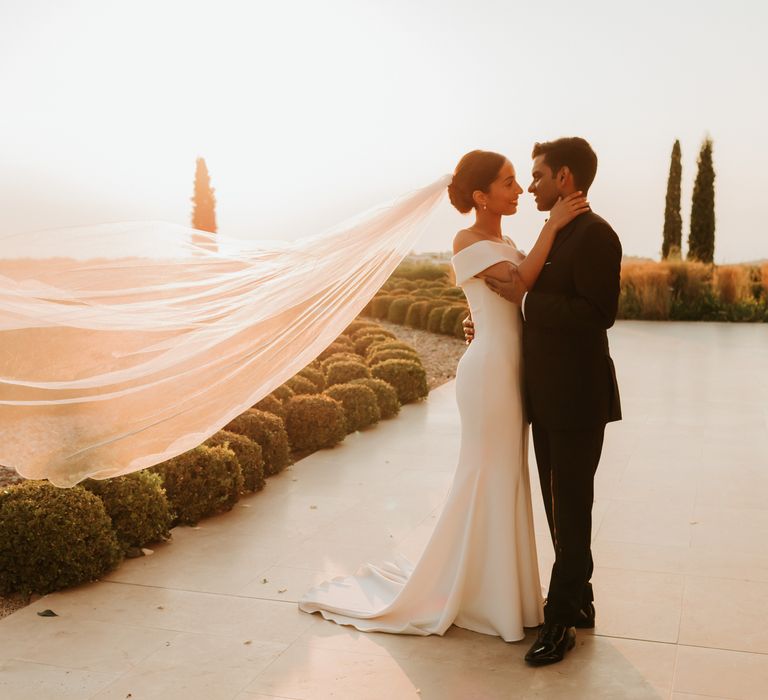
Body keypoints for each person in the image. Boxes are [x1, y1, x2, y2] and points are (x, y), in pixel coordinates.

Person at [298, 150, 588, 645]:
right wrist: (555, 225)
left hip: (511, 369)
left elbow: (512, 303)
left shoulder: (509, 240)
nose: (519, 190)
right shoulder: (465, 239)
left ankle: (506, 593)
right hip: (489, 374)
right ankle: (478, 595)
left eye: (520, 181)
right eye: (508, 182)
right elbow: (518, 285)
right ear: (480, 196)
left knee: (507, 475)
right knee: (485, 473)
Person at [466, 137, 622, 665]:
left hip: (578, 397)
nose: (530, 185)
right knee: (560, 507)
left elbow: (597, 312)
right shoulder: (553, 232)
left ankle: (560, 624)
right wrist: (490, 319)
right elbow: (521, 298)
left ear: (566, 179)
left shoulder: (597, 235)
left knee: (571, 508)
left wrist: (527, 301)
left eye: (537, 175)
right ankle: (581, 600)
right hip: (544, 396)